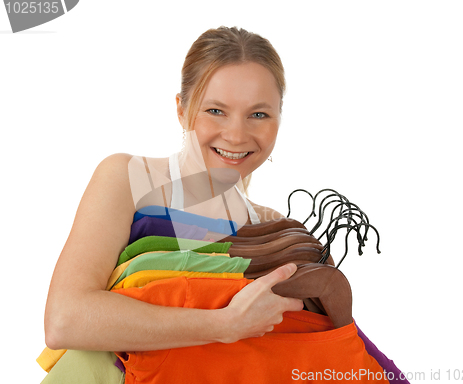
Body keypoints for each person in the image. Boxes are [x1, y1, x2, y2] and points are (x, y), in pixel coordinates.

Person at [44, 26, 305, 353]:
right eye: (215, 111)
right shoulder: (130, 179)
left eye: (259, 114)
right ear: (181, 110)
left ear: (279, 119)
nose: (237, 135)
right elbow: (65, 320)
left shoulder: (271, 227)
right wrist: (225, 325)